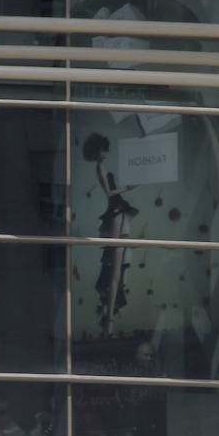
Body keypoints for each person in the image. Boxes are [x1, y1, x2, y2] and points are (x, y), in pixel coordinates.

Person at [82, 132, 138, 334]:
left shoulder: (102, 167)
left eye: (104, 150)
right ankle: (110, 321)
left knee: (118, 267)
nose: (104, 153)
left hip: (117, 212)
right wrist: (127, 188)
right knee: (116, 268)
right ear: (96, 151)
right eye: (101, 150)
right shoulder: (100, 167)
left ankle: (110, 316)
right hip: (114, 212)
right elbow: (109, 193)